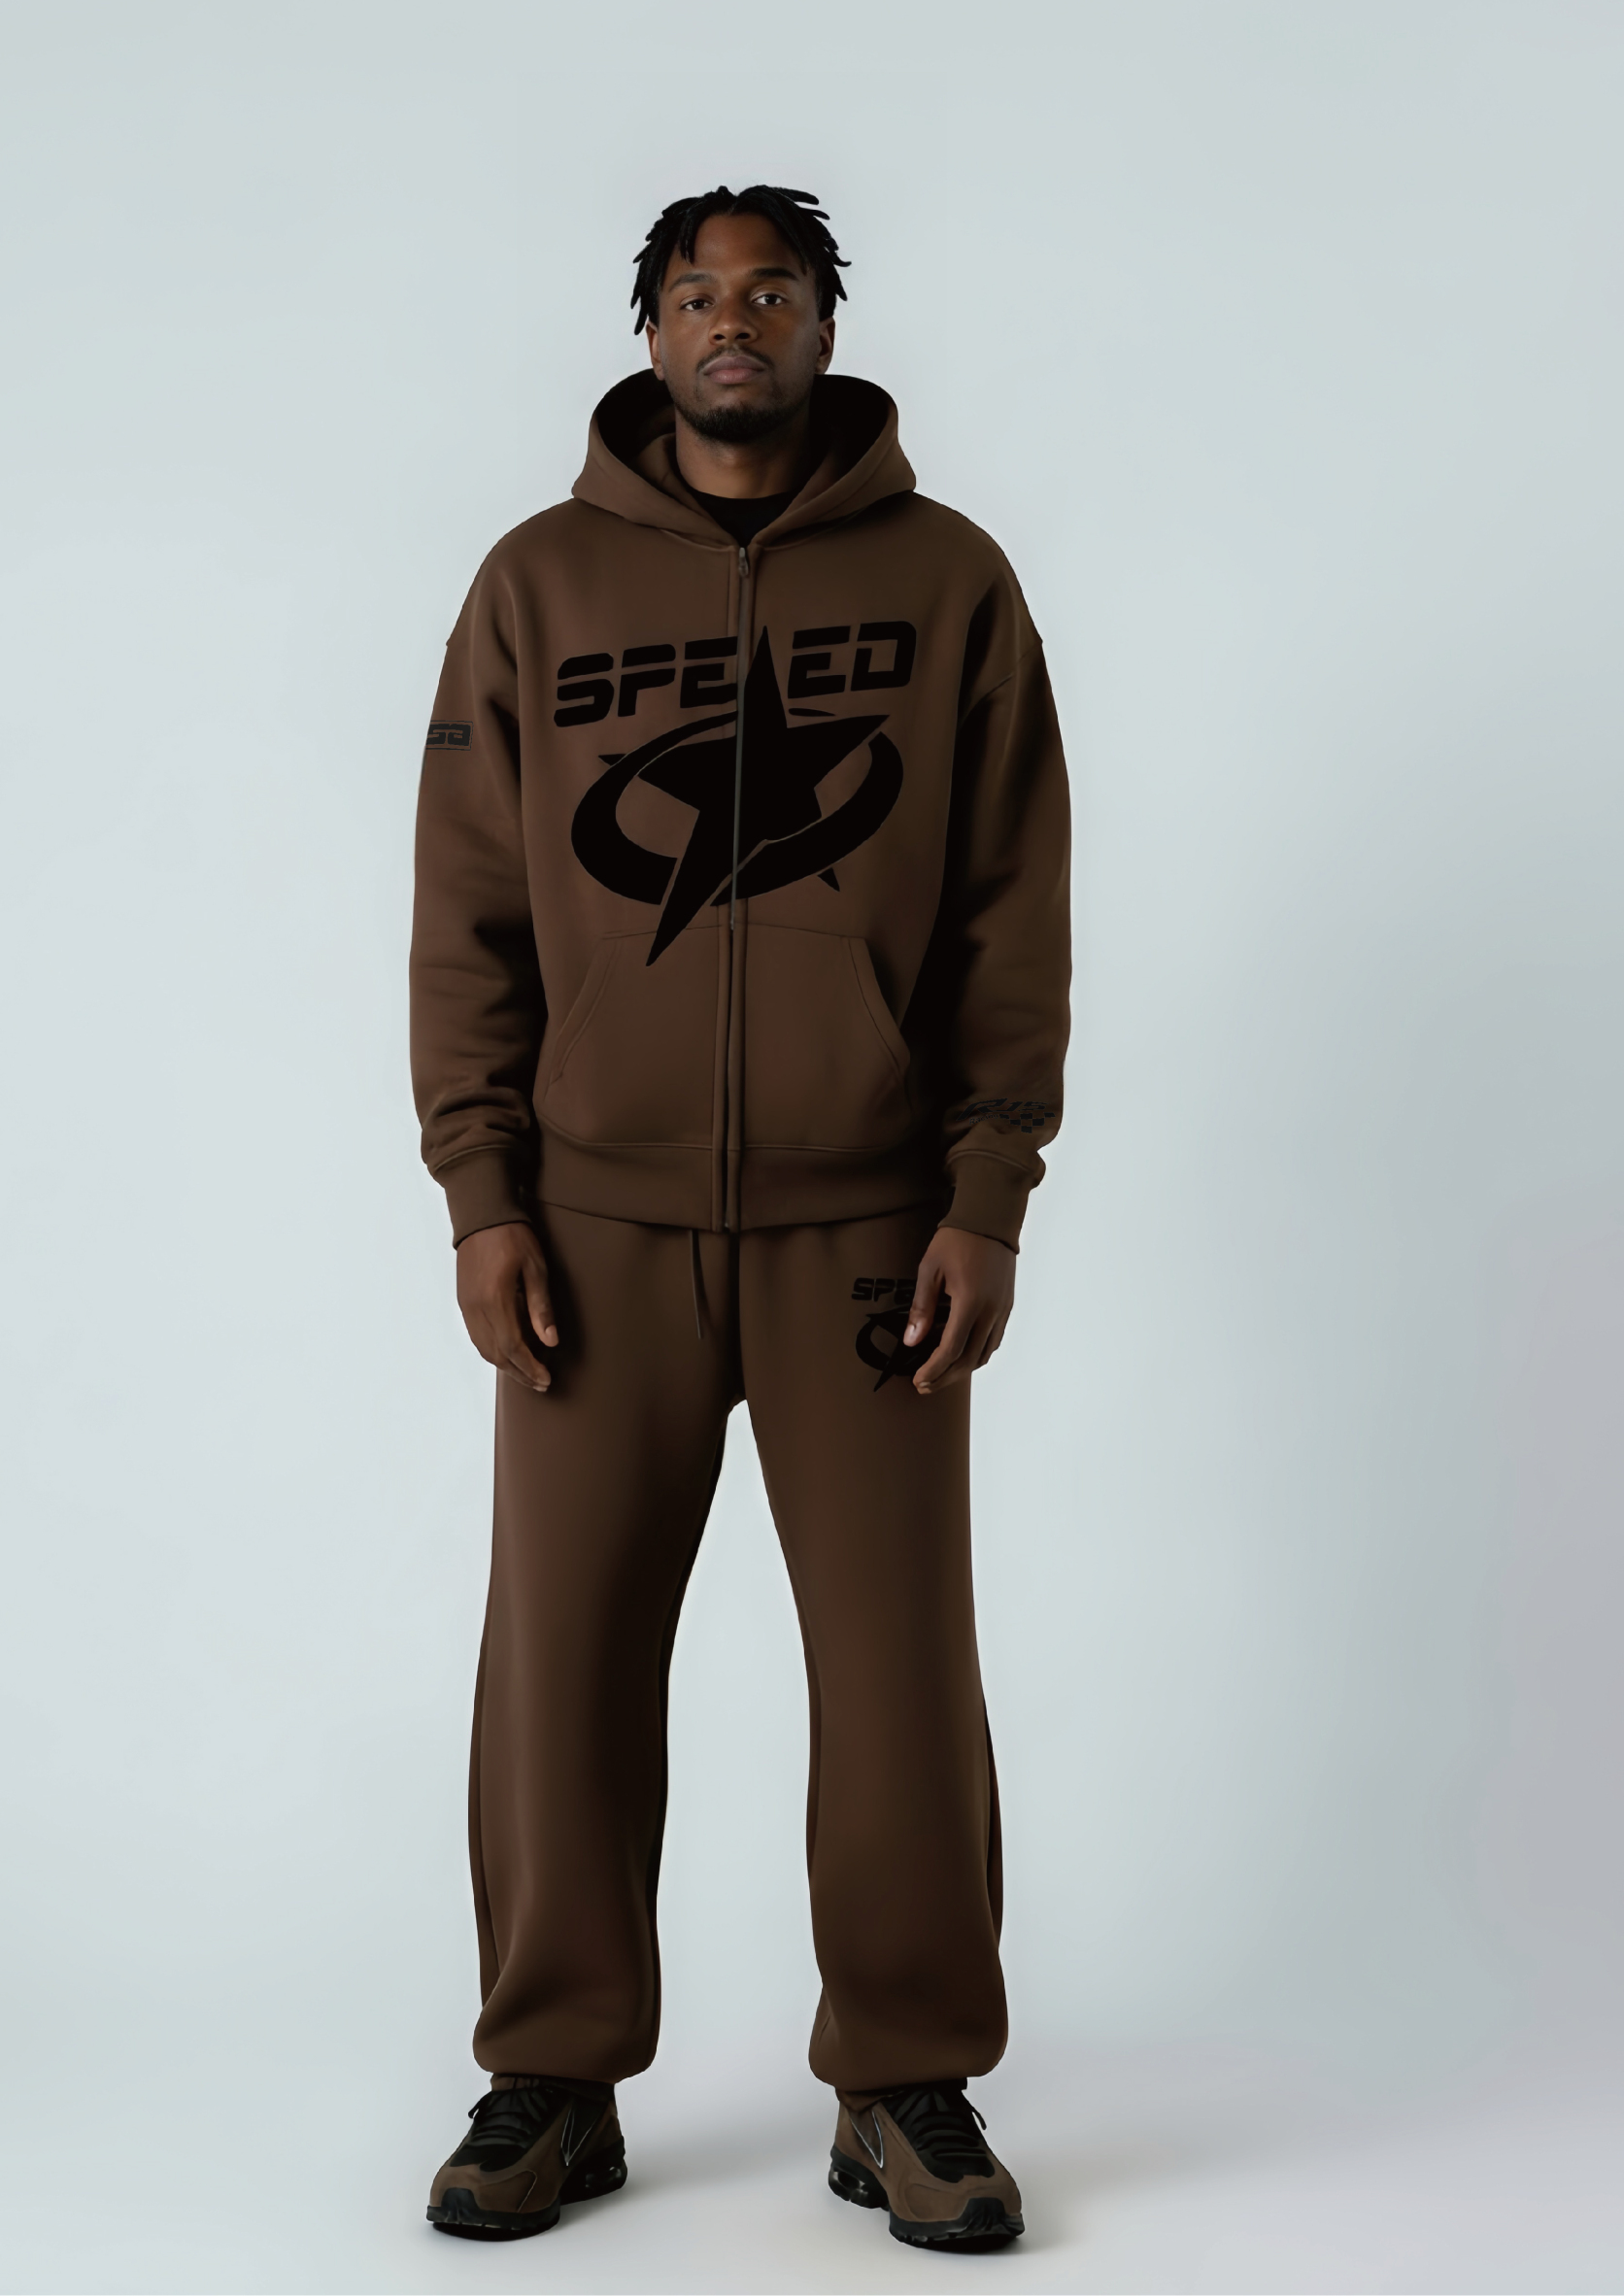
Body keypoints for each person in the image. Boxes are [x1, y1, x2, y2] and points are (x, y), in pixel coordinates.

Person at [410, 184, 1070, 2250]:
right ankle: (551, 2075)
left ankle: (906, 2082)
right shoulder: (535, 588)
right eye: (696, 292)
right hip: (591, 1229)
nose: (732, 321)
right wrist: (482, 1191)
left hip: (870, 1225)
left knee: (898, 1668)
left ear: (822, 323)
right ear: (649, 330)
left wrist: (986, 1191)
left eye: (769, 289)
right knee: (562, 1662)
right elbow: (469, 915)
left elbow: (1011, 915)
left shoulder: (951, 585)